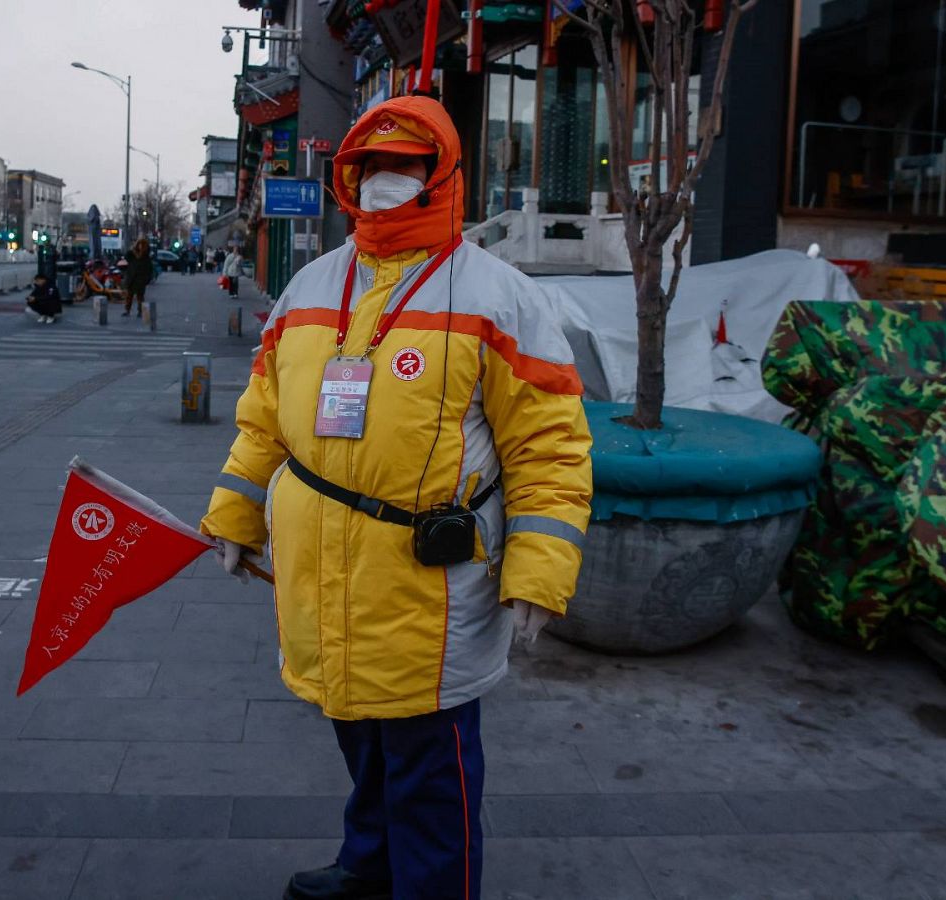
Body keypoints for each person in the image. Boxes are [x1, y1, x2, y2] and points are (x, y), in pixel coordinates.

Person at [200, 95, 593, 900]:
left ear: (441, 172)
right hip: (321, 575)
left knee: (430, 770)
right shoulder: (309, 286)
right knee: (361, 737)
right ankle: (369, 864)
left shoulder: (499, 296)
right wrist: (235, 512)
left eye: (406, 165)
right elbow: (262, 418)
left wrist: (539, 569)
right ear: (349, 175)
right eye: (372, 166)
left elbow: (549, 446)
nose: (386, 181)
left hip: (429, 588)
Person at [124, 237, 154, 317]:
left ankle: (140, 311)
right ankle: (127, 310)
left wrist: (147, 280)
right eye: (139, 244)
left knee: (140, 297)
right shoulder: (132, 255)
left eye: (142, 245)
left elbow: (150, 270)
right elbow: (126, 256)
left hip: (140, 280)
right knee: (129, 296)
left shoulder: (146, 258)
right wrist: (133, 248)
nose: (141, 246)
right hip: (132, 279)